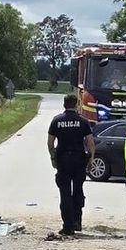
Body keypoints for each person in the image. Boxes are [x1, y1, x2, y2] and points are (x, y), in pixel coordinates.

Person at [47, 94, 95, 235]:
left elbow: (50, 143)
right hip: (79, 160)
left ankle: (67, 226)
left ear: (64, 104)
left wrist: (53, 158)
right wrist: (91, 160)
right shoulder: (83, 121)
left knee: (65, 193)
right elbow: (90, 142)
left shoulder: (56, 121)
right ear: (76, 104)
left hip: (63, 160)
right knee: (78, 190)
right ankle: (77, 222)